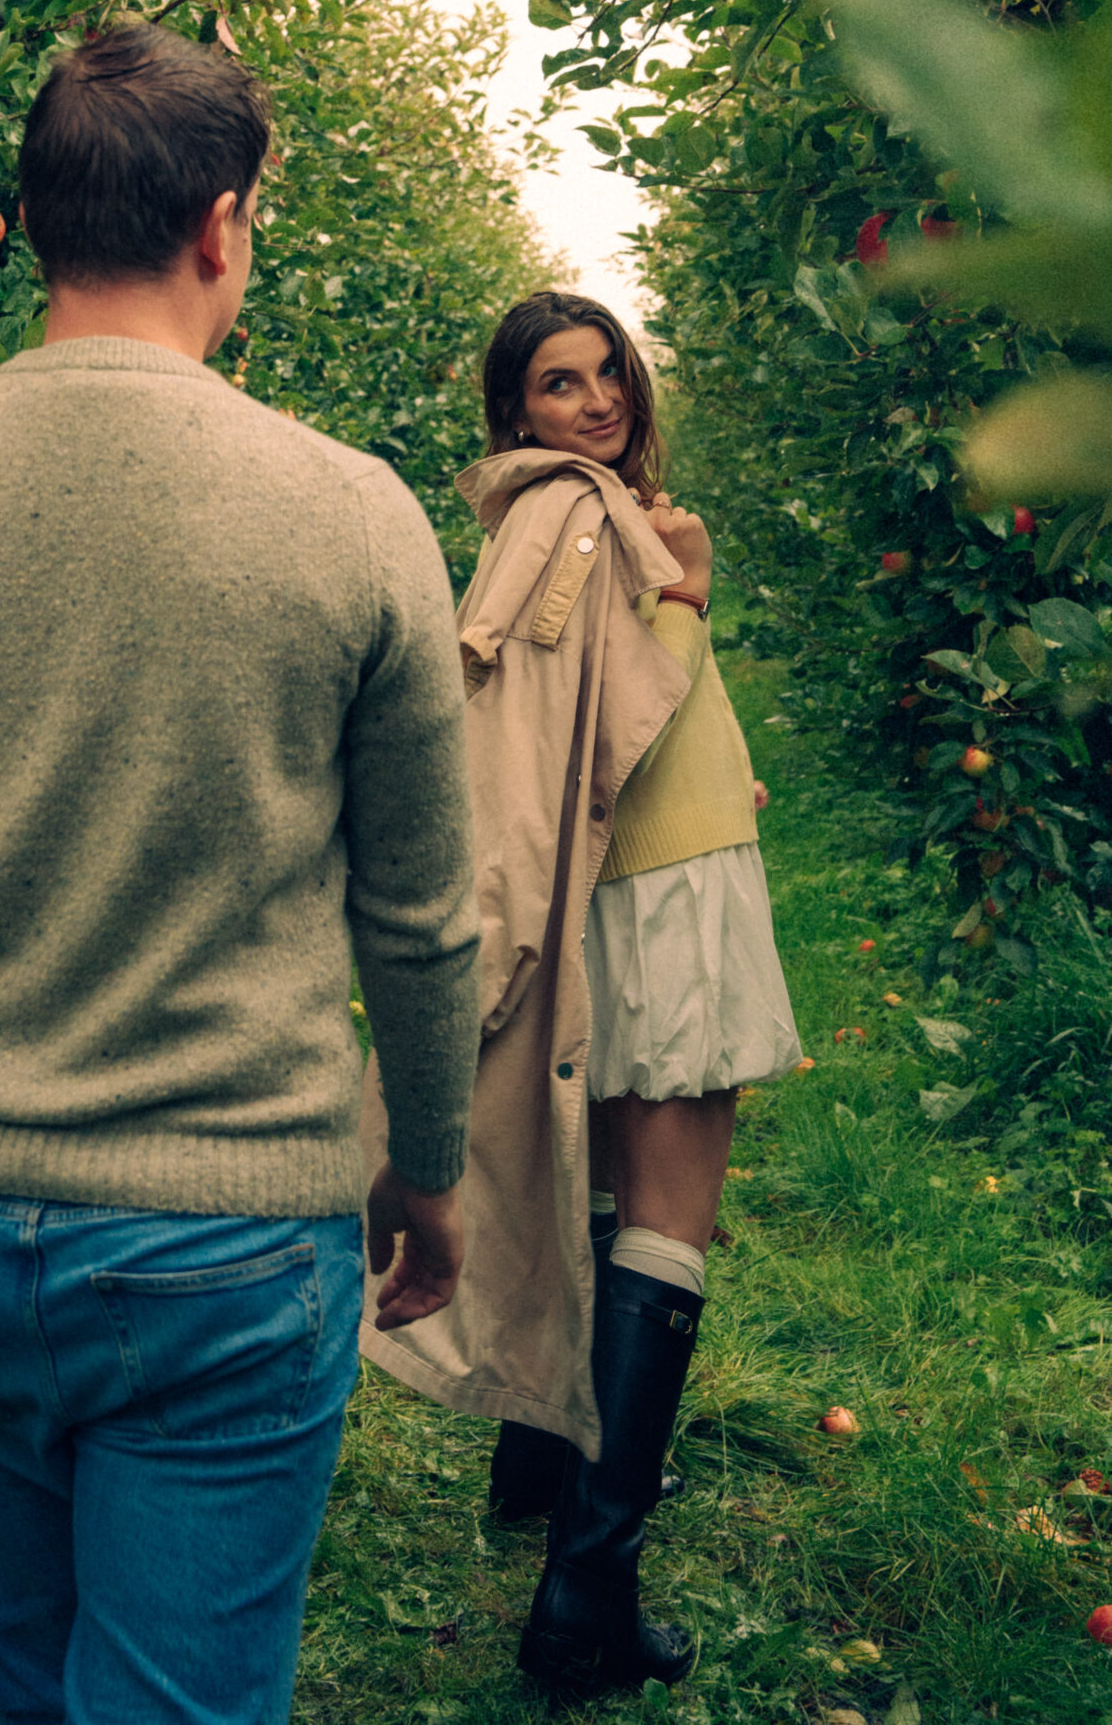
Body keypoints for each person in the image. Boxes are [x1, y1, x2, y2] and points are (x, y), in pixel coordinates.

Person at [0, 24, 483, 1725]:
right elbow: (421, 915)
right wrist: (426, 1162)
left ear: (37, 222)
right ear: (221, 224)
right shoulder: (354, 515)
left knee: (45, 1673)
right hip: (236, 1230)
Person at [360, 289, 799, 1704]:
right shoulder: (592, 515)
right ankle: (586, 1594)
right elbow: (613, 717)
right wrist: (685, 604)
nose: (599, 400)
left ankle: (540, 1461)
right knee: (672, 1220)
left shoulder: (555, 510)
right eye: (561, 382)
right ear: (514, 411)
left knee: (610, 1179)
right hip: (665, 883)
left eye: (610, 372)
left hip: (628, 881)